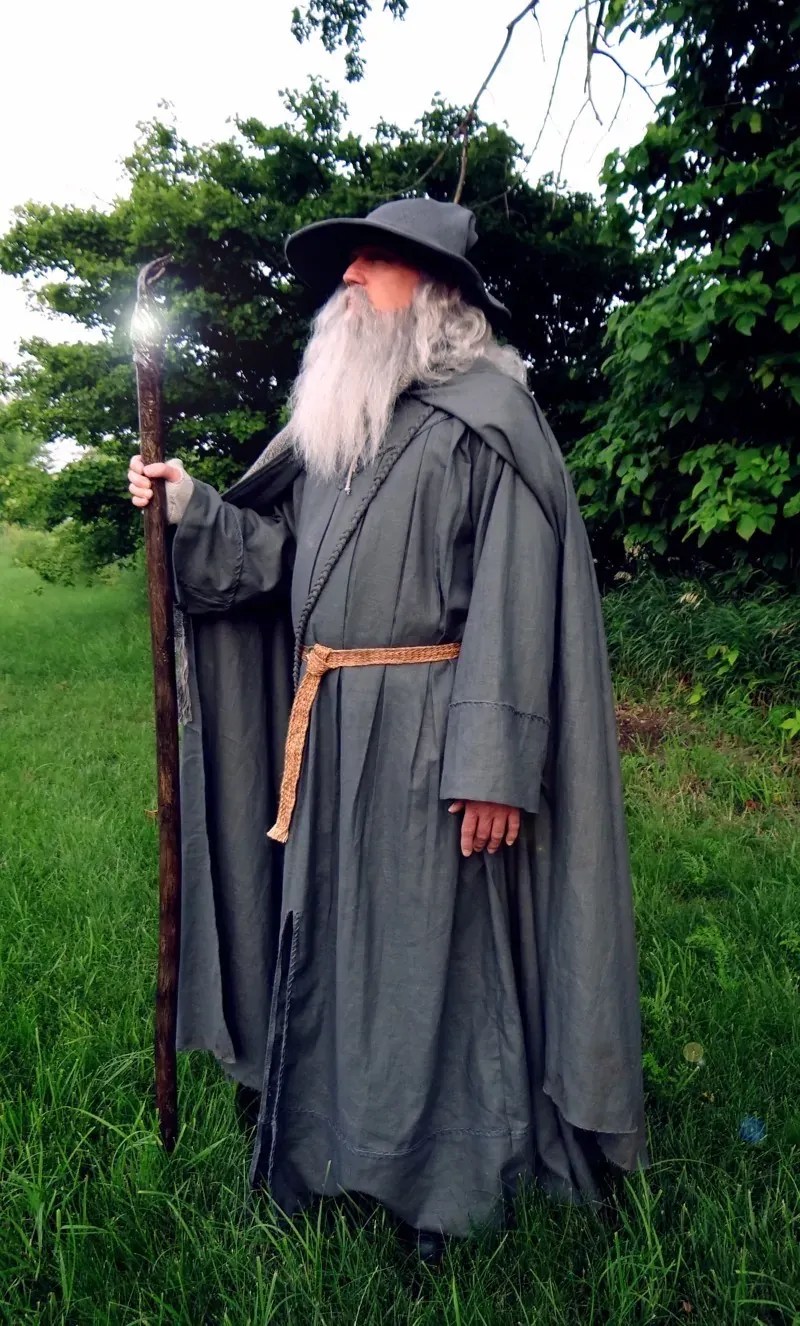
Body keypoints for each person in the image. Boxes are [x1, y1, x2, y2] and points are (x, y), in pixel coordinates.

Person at [128, 198, 649, 1263]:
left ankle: (448, 1190)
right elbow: (277, 564)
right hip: (324, 732)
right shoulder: (342, 424)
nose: (350, 278)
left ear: (438, 294)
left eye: (374, 261)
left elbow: (517, 595)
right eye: (349, 262)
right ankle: (328, 1150)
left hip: (429, 737)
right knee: (333, 942)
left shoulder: (490, 419)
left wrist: (494, 763)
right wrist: (194, 509)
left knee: (430, 962)